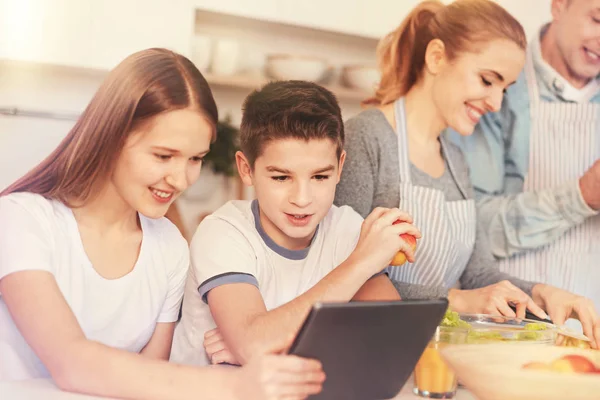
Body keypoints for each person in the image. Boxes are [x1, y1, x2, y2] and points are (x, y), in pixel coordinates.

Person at [0, 48, 325, 400]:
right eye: (163, 155)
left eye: (195, 158)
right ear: (111, 136)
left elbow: (149, 380)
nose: (181, 179)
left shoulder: (169, 246)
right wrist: (235, 385)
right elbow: (72, 363)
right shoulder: (22, 220)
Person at [334, 0, 600, 346]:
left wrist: (545, 293)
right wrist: (456, 300)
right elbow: (344, 273)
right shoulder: (366, 137)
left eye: (505, 88)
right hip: (366, 354)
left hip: (436, 361)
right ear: (436, 58)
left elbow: (479, 275)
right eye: (488, 80)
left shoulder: (456, 159)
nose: (496, 104)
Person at [171, 80, 419, 366]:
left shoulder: (346, 228)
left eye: (320, 177)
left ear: (340, 167)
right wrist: (362, 262)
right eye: (281, 177)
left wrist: (281, 346)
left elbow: (395, 339)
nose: (302, 199)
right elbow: (254, 346)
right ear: (246, 169)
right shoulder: (223, 233)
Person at [449, 0, 600, 331]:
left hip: (590, 329)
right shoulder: (495, 87)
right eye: (597, 19)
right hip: (507, 324)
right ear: (559, 6)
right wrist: (580, 197)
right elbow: (470, 229)